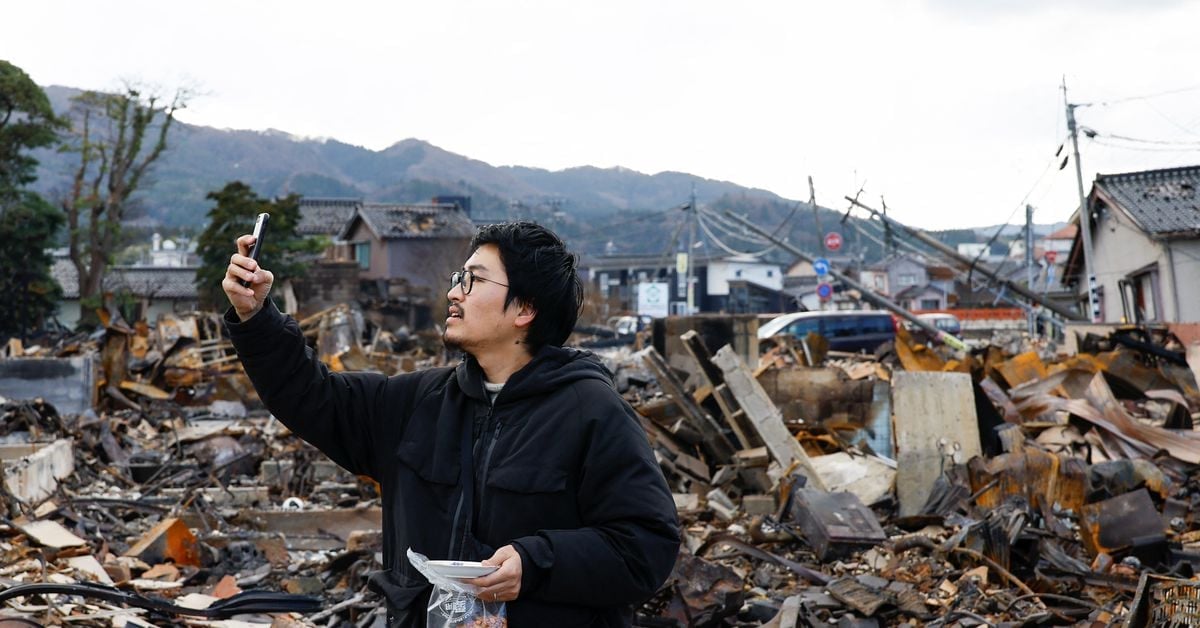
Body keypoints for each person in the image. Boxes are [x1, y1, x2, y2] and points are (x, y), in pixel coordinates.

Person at [222, 221, 680, 627]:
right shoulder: (417, 402)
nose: (454, 292)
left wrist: (536, 562)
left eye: (473, 281)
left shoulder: (591, 411)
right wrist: (255, 316)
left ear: (524, 309)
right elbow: (311, 395)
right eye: (458, 278)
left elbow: (646, 545)